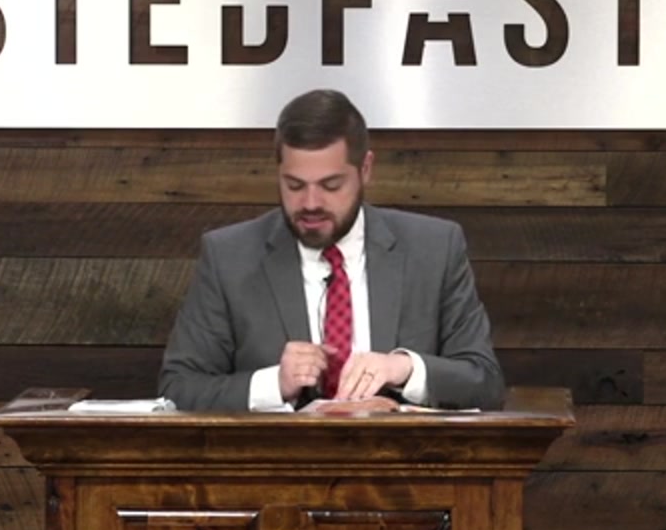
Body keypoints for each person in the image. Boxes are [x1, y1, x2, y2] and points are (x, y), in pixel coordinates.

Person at [159, 89, 505, 411]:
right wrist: (273, 385)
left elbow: (486, 384)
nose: (311, 203)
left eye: (331, 185)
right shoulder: (229, 257)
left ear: (365, 169)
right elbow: (178, 389)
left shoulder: (434, 249)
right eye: (294, 185)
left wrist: (405, 368)